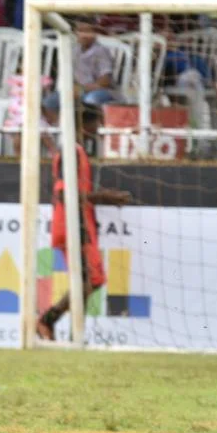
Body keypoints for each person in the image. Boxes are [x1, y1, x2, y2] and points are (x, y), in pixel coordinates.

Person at [38, 108, 132, 340]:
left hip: (79, 223)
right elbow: (64, 194)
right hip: (73, 224)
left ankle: (57, 325)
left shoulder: (77, 152)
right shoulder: (71, 153)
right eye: (95, 125)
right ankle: (47, 322)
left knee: (95, 280)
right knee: (89, 279)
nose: (97, 131)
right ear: (83, 126)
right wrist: (103, 197)